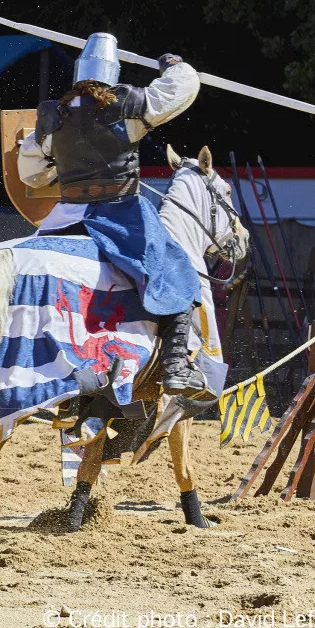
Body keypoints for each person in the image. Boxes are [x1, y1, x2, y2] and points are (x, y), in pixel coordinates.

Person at [17, 34, 205, 395]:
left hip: (66, 216)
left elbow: (31, 173)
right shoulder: (127, 106)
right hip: (121, 215)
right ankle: (176, 365)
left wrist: (62, 165)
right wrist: (172, 65)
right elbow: (183, 87)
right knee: (176, 270)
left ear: (78, 76)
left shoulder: (54, 116)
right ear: (113, 75)